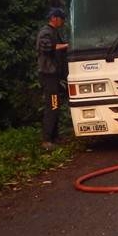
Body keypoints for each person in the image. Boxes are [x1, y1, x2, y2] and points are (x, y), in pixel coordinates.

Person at [36, 8, 69, 150]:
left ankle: (55, 137)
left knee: (56, 105)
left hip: (55, 75)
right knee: (53, 105)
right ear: (54, 18)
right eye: (61, 19)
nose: (62, 22)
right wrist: (67, 45)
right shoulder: (45, 32)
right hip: (48, 75)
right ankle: (47, 140)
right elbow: (47, 48)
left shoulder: (54, 32)